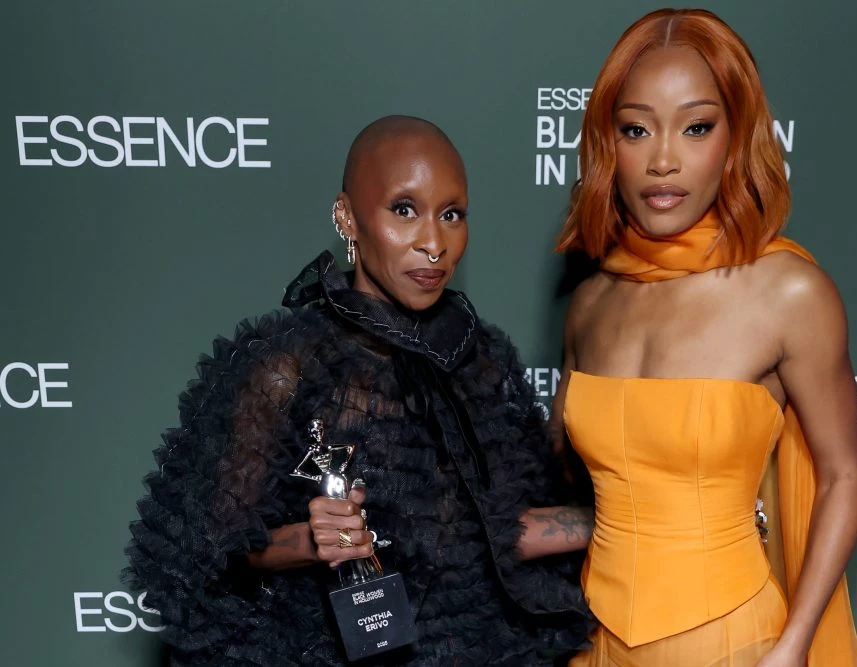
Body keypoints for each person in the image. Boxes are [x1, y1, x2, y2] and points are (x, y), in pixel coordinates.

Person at [125, 115, 593, 666]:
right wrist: (308, 541)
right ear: (347, 215)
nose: (433, 243)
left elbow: (495, 531)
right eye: (404, 210)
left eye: (451, 214)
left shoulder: (480, 361)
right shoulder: (287, 368)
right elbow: (204, 556)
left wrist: (630, 515)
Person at [551, 9, 857, 666]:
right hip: (593, 644)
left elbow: (843, 471)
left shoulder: (789, 292)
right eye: (636, 129)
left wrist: (793, 645)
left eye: (696, 127)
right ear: (609, 144)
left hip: (735, 644)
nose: (663, 160)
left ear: (736, 137)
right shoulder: (589, 302)